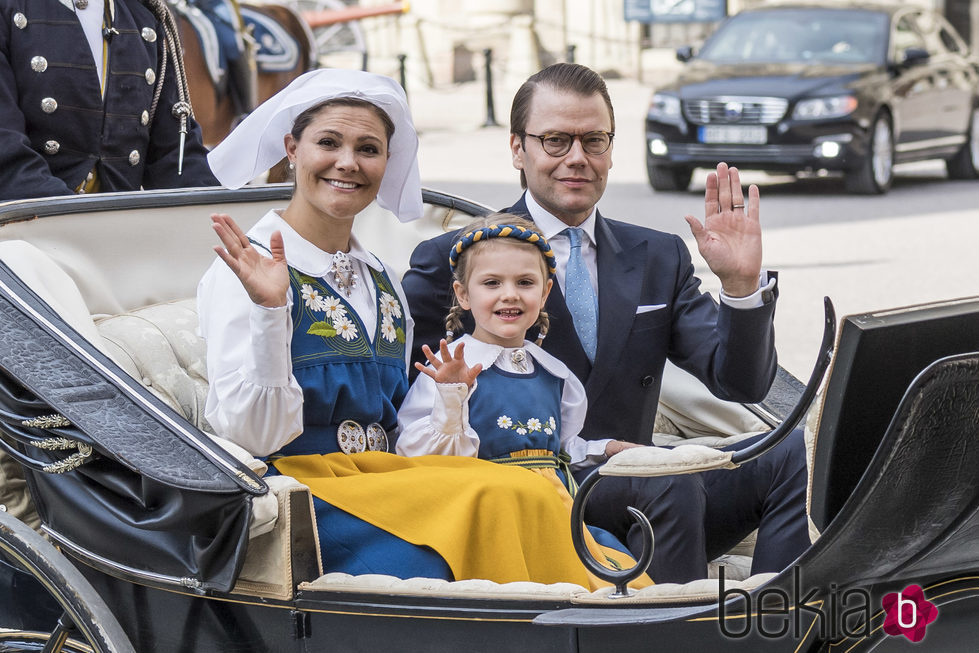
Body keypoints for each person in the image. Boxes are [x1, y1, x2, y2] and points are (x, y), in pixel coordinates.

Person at [199, 68, 631, 588]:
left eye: (368, 149)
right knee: (490, 508)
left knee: (531, 493)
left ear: (386, 163)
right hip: (301, 490)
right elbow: (251, 436)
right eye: (328, 143)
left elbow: (406, 416)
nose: (347, 163)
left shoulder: (381, 278)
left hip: (391, 478)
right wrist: (271, 311)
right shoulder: (247, 271)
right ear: (291, 148)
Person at [402, 63, 810, 583]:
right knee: (668, 479)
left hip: (639, 485)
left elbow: (741, 382)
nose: (577, 158)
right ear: (516, 150)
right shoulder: (453, 260)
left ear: (611, 151)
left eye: (593, 140)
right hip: (527, 492)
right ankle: (672, 634)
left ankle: (780, 624)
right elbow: (407, 403)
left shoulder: (659, 255)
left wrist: (740, 287)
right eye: (555, 140)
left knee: (782, 451)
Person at [397, 216, 651, 588]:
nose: (510, 294)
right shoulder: (451, 366)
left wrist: (605, 448)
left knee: (593, 588)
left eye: (525, 283)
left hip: (554, 514)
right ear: (463, 294)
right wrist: (451, 396)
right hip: (492, 516)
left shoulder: (553, 371)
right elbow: (418, 455)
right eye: (491, 283)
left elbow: (560, 449)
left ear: (545, 293)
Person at [0, 0, 218, 200]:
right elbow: (7, 153)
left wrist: (215, 208)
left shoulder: (143, 18)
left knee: (230, 35)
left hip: (117, 228)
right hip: (25, 225)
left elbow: (174, 156)